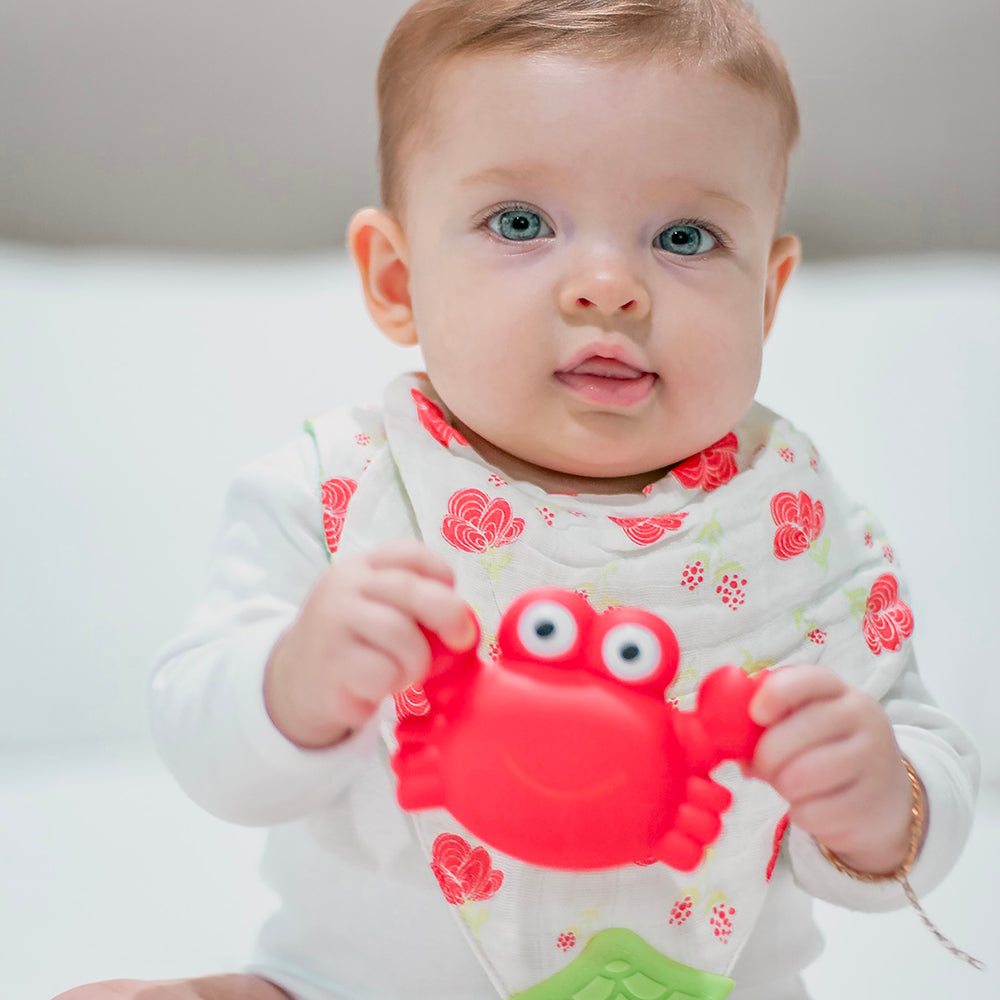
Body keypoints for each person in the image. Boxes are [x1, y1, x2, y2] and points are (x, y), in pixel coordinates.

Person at [56, 1, 979, 999]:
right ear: (396, 279)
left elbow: (924, 758)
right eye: (521, 223)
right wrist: (293, 684)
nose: (607, 285)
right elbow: (206, 750)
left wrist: (892, 804)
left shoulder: (795, 525)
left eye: (683, 235)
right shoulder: (345, 492)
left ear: (766, 293)